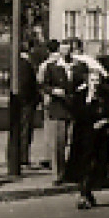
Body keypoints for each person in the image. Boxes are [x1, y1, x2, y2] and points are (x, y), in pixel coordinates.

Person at [65, 68, 109, 209]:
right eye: (92, 80)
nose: (95, 84)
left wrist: (104, 121)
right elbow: (76, 114)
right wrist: (88, 101)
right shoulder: (81, 95)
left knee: (95, 165)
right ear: (88, 81)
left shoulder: (105, 95)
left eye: (97, 80)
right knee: (84, 164)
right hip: (83, 135)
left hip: (99, 136)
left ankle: (87, 193)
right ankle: (84, 194)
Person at [37, 41, 73, 182]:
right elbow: (44, 85)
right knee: (58, 143)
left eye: (69, 51)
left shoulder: (78, 67)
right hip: (58, 108)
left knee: (73, 142)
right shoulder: (52, 67)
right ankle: (58, 173)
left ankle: (71, 171)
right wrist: (53, 91)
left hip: (74, 108)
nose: (66, 54)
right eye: (63, 51)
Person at [15, 39, 43, 168]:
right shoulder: (26, 64)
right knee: (26, 129)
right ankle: (23, 157)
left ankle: (20, 156)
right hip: (26, 102)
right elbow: (27, 84)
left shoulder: (17, 63)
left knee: (22, 129)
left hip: (22, 101)